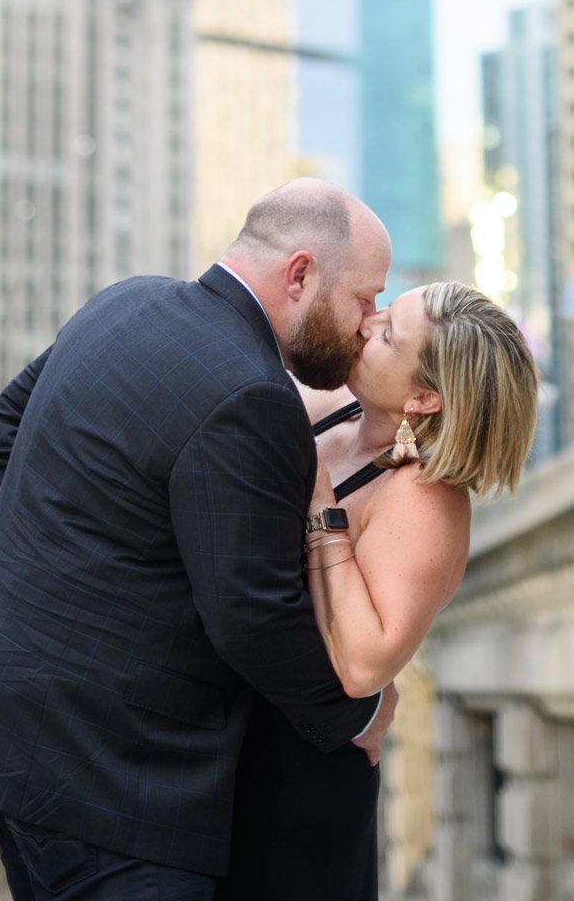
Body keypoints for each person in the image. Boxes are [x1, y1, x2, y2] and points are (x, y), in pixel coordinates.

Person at [0, 177, 397, 899]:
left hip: (4, 740)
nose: (366, 322)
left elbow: (4, 428)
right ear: (300, 274)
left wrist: (36, 555)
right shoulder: (254, 394)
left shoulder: (123, 302)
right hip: (117, 788)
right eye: (364, 298)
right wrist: (361, 714)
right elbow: (252, 614)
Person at [220, 279, 539, 901]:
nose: (368, 325)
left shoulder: (426, 502)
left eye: (390, 333)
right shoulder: (342, 407)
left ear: (422, 398)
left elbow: (365, 662)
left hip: (297, 789)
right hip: (237, 747)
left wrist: (320, 509)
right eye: (386, 309)